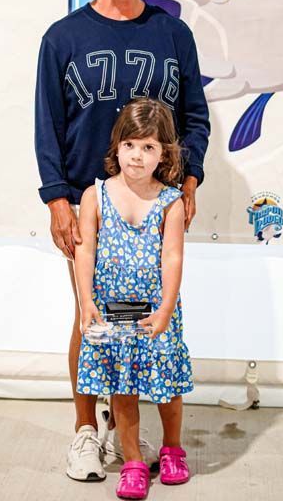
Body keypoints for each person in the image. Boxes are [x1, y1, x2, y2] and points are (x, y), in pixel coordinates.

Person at [34, 0, 209, 481]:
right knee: (91, 319)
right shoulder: (63, 37)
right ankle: (88, 432)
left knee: (155, 321)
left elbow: (194, 117)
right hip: (93, 204)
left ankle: (135, 434)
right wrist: (59, 199)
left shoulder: (172, 32)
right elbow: (47, 124)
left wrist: (189, 179)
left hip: (157, 207)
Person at [75, 98, 191, 498]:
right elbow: (85, 249)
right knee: (122, 389)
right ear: (116, 146)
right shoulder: (96, 195)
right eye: (130, 145)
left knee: (167, 387)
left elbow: (173, 255)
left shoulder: (170, 201)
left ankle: (173, 448)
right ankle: (133, 462)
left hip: (156, 316)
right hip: (112, 315)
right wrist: (85, 301)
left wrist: (165, 309)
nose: (137, 157)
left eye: (148, 147)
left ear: (164, 153)